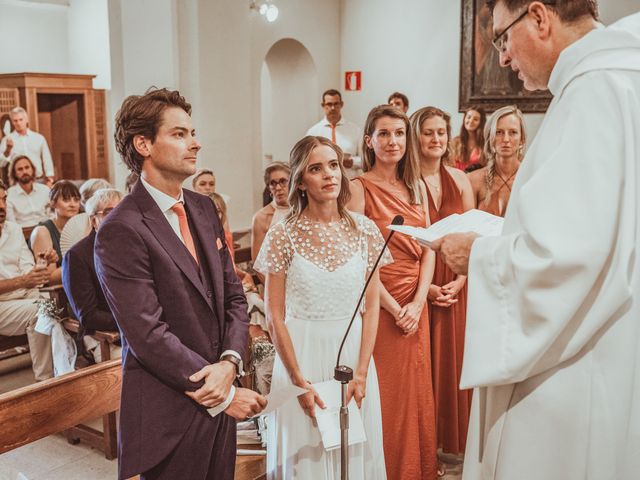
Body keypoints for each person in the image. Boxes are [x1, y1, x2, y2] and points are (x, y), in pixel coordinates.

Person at [432, 3, 640, 479]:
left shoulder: (596, 91)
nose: (502, 58)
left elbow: (570, 257)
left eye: (502, 37)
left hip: (576, 370)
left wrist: (477, 256)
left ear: (540, 18)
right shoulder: (622, 77)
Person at [94, 87, 266, 480]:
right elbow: (147, 334)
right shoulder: (122, 228)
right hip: (168, 410)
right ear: (144, 144)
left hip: (218, 394)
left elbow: (233, 298)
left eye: (193, 132)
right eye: (180, 134)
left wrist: (230, 362)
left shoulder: (203, 208)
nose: (195, 143)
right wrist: (221, 392)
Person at [255, 135, 388, 479]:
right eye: (316, 168)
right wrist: (298, 381)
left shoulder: (366, 231)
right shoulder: (283, 235)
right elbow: (274, 315)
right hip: (302, 355)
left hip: (353, 356)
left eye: (334, 165)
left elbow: (372, 307)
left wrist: (361, 372)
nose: (329, 174)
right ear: (300, 181)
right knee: (308, 455)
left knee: (354, 450)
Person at [348, 105, 438, 479]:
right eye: (384, 133)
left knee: (417, 390)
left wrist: (418, 301)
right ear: (369, 140)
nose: (393, 141)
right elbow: (358, 258)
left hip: (416, 302)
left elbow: (430, 245)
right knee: (389, 394)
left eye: (399, 133)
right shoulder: (357, 188)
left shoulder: (417, 185)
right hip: (380, 303)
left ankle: (417, 469)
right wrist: (392, 305)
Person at [411, 107, 475, 462]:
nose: (435, 140)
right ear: (416, 137)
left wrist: (462, 280)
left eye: (440, 133)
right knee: (423, 364)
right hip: (421, 282)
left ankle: (452, 441)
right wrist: (428, 288)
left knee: (454, 360)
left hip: (456, 280)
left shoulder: (460, 180)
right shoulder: (407, 182)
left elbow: (473, 233)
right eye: (428, 133)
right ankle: (425, 442)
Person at [0, 180, 55, 382]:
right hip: (3, 304)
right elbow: (24, 279)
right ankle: (46, 380)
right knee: (43, 309)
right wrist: (24, 280)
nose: (2, 206)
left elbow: (28, 273)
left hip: (20, 297)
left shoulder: (13, 229)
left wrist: (43, 262)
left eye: (4, 199)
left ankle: (62, 369)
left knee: (55, 303)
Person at [62, 188, 123, 363]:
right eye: (109, 213)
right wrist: (131, 320)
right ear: (93, 220)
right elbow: (89, 316)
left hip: (140, 327)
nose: (117, 218)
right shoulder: (77, 256)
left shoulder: (133, 247)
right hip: (103, 334)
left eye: (121, 211)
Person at [467, 105, 526, 217]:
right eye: (499, 132)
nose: (506, 139)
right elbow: (465, 226)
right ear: (491, 138)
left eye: (513, 132)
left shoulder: (531, 178)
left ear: (522, 139)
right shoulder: (473, 180)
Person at [30, 180, 80, 286]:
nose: (72, 204)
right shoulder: (42, 231)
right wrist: (81, 261)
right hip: (55, 291)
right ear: (53, 203)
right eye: (66, 200)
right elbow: (49, 278)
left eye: (76, 200)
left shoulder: (82, 226)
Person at [306, 89, 363, 178]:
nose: (333, 108)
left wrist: (352, 162)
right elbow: (307, 161)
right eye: (329, 104)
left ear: (341, 104)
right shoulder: (313, 133)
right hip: (324, 183)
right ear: (323, 105)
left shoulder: (355, 130)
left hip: (350, 183)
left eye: (336, 104)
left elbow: (366, 160)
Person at [0, 107, 54, 184]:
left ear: (26, 120)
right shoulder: (7, 140)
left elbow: (47, 159)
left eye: (21, 119)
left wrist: (50, 179)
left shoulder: (39, 138)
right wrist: (8, 150)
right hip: (17, 182)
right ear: (12, 122)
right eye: (15, 121)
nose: (18, 123)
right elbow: (1, 163)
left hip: (38, 180)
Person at [251, 162, 290, 262]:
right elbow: (257, 263)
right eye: (273, 183)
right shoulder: (261, 217)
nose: (278, 188)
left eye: (283, 181)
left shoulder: (305, 210)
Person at [5, 155, 50, 227]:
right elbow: (12, 224)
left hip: (46, 230)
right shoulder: (9, 195)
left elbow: (51, 214)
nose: (24, 171)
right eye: (20, 169)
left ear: (32, 169)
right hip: (22, 234)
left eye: (27, 167)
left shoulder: (45, 190)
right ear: (14, 173)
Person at [450, 107, 486, 172]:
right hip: (456, 180)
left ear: (481, 123)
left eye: (475, 119)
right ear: (464, 119)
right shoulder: (455, 142)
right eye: (468, 117)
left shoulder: (485, 144)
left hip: (476, 180)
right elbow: (449, 166)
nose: (471, 121)